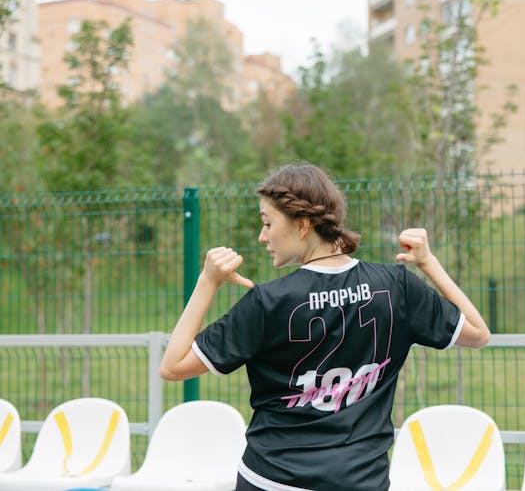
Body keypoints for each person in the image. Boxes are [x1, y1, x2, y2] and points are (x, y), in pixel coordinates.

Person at [160, 163, 491, 491]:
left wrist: (208, 281)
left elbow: (173, 365)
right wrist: (427, 262)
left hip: (272, 480)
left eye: (267, 223)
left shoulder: (268, 302)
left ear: (302, 225)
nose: (263, 237)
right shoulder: (397, 287)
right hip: (361, 481)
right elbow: (478, 334)